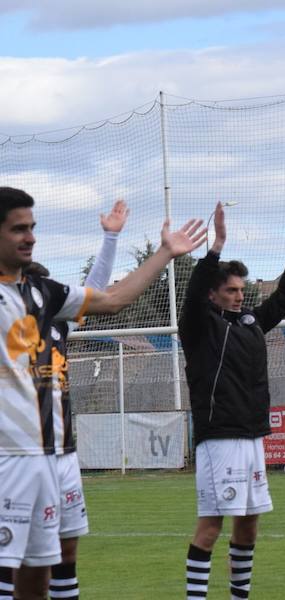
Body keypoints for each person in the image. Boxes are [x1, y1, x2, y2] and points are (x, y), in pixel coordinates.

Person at [0, 186, 204, 600]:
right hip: (8, 458)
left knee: (39, 575)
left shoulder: (44, 293)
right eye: (18, 229)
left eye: (32, 228)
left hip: (51, 456)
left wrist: (164, 254)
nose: (30, 237)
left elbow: (110, 298)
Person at [180, 196, 285, 600]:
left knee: (250, 523)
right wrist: (215, 248)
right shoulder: (199, 327)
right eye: (231, 290)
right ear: (213, 295)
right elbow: (192, 294)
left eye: (242, 289)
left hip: (252, 435)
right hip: (220, 437)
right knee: (211, 527)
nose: (239, 295)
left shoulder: (250, 323)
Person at [22, 199, 130, 600]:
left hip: (64, 453)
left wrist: (111, 236)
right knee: (17, 559)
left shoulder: (58, 326)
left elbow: (96, 289)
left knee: (66, 553)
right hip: (19, 454)